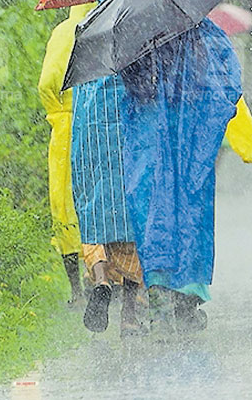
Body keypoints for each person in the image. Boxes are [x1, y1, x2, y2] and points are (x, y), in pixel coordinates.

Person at [119, 19, 252, 332]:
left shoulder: (133, 33)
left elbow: (130, 86)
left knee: (151, 212)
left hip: (147, 136)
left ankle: (158, 295)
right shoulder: (202, 33)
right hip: (190, 138)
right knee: (189, 212)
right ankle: (188, 295)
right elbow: (226, 86)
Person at [70, 66, 146, 336]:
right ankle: (129, 315)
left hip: (92, 136)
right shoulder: (136, 43)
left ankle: (102, 280)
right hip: (128, 136)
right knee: (130, 219)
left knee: (93, 213)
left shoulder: (90, 50)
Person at [37, 3, 91, 306]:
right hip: (101, 123)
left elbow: (47, 83)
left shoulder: (64, 32)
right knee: (100, 201)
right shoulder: (112, 23)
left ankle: (76, 291)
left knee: (65, 205)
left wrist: (57, 111)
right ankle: (106, 275)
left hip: (66, 128)